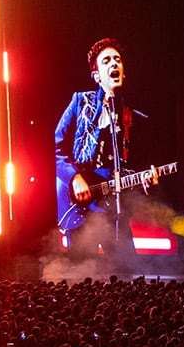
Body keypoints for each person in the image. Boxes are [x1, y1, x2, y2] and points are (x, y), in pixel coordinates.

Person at [54, 38, 159, 257]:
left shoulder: (135, 119)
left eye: (118, 60)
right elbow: (57, 147)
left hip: (113, 208)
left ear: (124, 72)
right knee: (81, 272)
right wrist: (74, 178)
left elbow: (136, 170)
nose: (114, 64)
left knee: (127, 272)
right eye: (107, 61)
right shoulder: (79, 102)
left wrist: (147, 182)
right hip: (80, 203)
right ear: (97, 76)